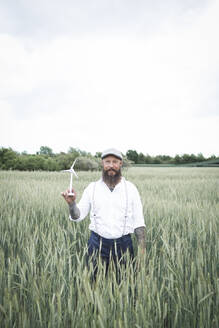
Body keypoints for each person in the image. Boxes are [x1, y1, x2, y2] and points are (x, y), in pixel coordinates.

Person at [61, 148, 146, 279]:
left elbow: (139, 222)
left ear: (120, 164)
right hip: (97, 243)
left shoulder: (131, 189)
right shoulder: (92, 188)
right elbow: (78, 216)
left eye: (115, 162)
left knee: (127, 287)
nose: (111, 165)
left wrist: (141, 250)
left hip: (124, 244)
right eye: (107, 162)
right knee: (92, 283)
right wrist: (72, 204)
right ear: (102, 164)